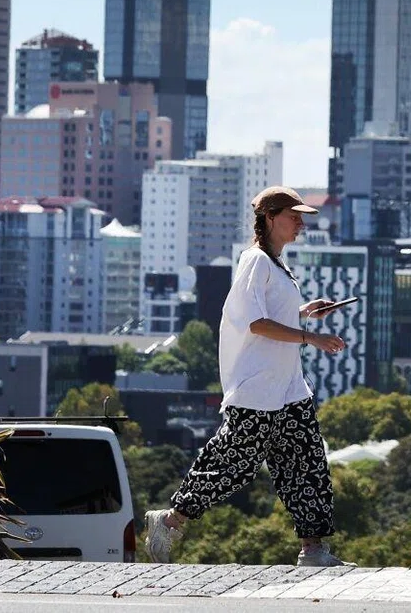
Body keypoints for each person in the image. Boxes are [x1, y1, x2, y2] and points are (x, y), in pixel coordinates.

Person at [141, 186, 352, 567]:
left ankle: (313, 549)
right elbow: (255, 322)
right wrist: (311, 337)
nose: (301, 223)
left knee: (307, 464)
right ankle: (170, 520)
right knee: (232, 465)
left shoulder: (275, 263)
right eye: (294, 216)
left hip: (288, 388)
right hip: (257, 391)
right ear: (270, 218)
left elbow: (272, 314)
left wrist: (305, 312)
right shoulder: (254, 261)